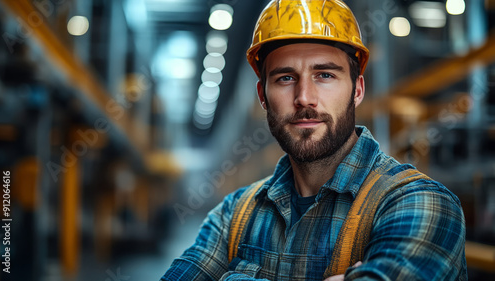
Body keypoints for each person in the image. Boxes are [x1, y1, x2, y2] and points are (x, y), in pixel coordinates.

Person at [161, 0, 467, 280]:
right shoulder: (234, 214)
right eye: (285, 78)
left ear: (357, 90)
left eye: (325, 75)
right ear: (262, 96)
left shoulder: (420, 203)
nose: (304, 98)